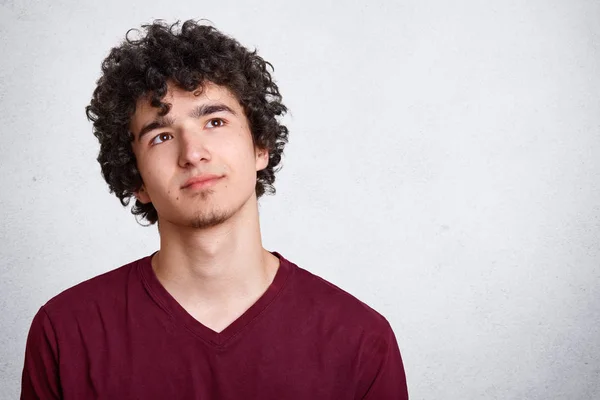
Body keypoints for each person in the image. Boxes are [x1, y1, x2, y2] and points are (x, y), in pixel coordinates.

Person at [21, 19, 409, 399]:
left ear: (261, 146)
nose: (192, 154)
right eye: (162, 136)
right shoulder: (65, 331)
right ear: (136, 178)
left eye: (215, 121)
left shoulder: (360, 340)